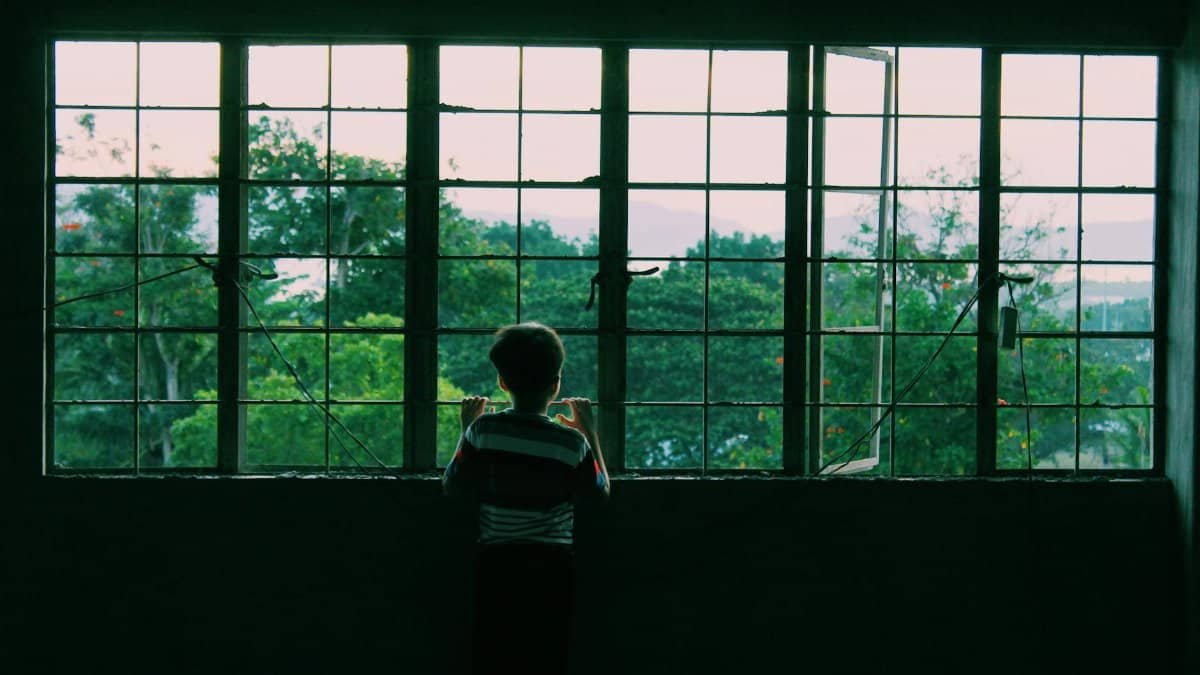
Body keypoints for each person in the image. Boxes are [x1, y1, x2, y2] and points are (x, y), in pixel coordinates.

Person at [443, 321, 611, 675]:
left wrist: (465, 429)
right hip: (552, 567)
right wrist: (590, 433)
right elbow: (599, 493)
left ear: (503, 382)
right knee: (546, 652)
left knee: (493, 651)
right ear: (556, 384)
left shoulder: (483, 430)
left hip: (497, 564)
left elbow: (453, 485)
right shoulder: (570, 443)